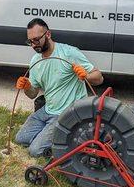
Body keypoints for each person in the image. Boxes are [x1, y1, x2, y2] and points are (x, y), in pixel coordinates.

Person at [14, 18, 104, 157]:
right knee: (20, 139)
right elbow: (33, 94)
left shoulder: (68, 53)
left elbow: (99, 78)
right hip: (48, 110)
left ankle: (67, 137)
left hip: (67, 113)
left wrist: (86, 76)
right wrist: (27, 86)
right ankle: (57, 137)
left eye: (36, 40)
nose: (33, 45)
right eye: (30, 41)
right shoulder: (35, 61)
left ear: (48, 34)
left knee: (35, 151)